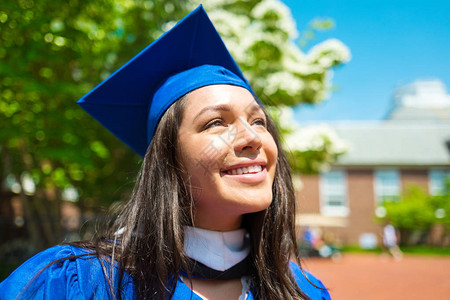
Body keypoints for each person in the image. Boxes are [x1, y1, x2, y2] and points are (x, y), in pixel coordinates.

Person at [0, 5, 330, 300]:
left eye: (258, 121)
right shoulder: (78, 284)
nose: (252, 137)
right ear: (167, 158)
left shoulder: (302, 291)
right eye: (216, 122)